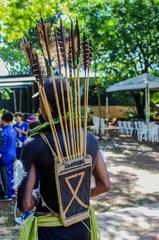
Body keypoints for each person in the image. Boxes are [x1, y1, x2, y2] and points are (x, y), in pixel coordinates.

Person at [17, 76, 110, 240]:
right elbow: (104, 185)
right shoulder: (89, 138)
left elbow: (25, 205)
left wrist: (37, 198)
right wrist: (73, 198)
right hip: (83, 226)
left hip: (50, 232)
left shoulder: (33, 144)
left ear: (45, 106)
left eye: (40, 104)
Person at [0, 112, 16, 200]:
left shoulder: (4, 132)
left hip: (5, 157)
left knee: (5, 177)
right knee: (10, 175)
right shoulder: (12, 130)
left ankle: (7, 195)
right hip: (12, 155)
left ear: (3, 120)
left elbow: (3, 147)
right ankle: (12, 192)